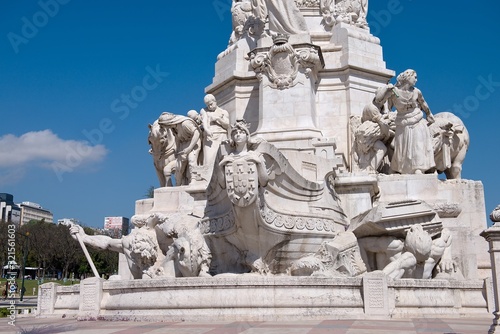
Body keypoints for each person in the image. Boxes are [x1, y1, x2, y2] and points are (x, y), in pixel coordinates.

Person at [382, 69, 435, 174]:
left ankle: (418, 168)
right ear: (408, 77)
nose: (416, 80)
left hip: (417, 120)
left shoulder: (416, 92)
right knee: (401, 148)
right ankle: (401, 169)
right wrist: (386, 115)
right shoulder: (394, 92)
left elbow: (423, 103)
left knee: (418, 145)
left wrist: (429, 114)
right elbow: (388, 106)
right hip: (402, 122)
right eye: (414, 77)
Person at [157, 112, 202, 186]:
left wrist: (190, 148)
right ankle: (178, 184)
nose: (165, 128)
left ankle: (193, 180)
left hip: (194, 142)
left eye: (164, 125)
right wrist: (178, 150)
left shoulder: (185, 123)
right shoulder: (173, 128)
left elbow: (197, 133)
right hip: (183, 144)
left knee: (191, 159)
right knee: (179, 166)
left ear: (168, 122)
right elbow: (177, 139)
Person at [200, 95, 230, 171]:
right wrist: (207, 130)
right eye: (207, 105)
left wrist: (218, 118)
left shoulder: (223, 112)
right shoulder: (204, 110)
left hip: (221, 136)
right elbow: (204, 121)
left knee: (222, 158)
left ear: (215, 101)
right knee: (209, 159)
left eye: (211, 104)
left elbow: (227, 125)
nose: (209, 106)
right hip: (209, 137)